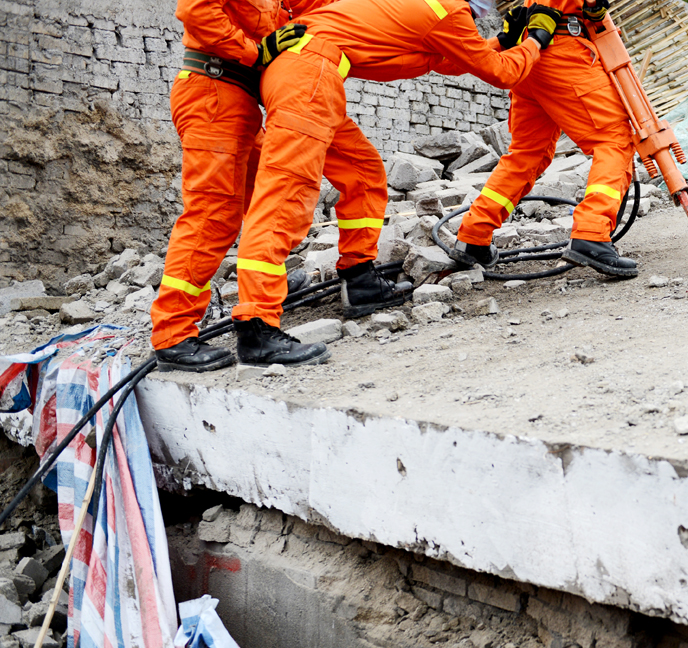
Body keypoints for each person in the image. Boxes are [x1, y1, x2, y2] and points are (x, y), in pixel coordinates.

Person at [228, 0, 562, 367]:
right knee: (286, 195)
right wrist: (538, 39)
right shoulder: (448, 11)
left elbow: (447, 58)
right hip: (309, 78)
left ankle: (360, 279)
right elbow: (501, 74)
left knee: (363, 172)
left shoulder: (424, 7)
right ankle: (256, 325)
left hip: (302, 71)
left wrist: (501, 40)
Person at [151, 0, 412, 372]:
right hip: (214, 92)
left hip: (258, 98)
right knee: (215, 214)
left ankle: (358, 277)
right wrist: (256, 52)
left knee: (359, 167)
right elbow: (196, 11)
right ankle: (176, 335)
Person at [451, 0, 638, 279]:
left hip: (532, 51)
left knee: (526, 154)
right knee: (614, 138)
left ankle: (473, 236)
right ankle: (591, 233)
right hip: (564, 51)